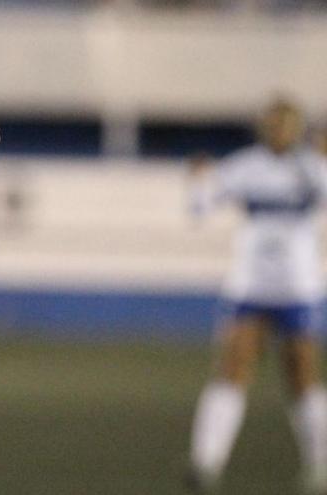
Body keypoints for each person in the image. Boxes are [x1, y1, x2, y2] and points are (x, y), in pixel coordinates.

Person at [186, 98, 327, 494]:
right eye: (273, 122)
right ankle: (205, 463)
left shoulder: (312, 168)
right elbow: (200, 205)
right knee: (232, 367)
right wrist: (197, 179)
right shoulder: (246, 165)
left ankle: (319, 465)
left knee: (302, 375)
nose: (279, 130)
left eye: (287, 123)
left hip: (298, 287)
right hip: (250, 285)